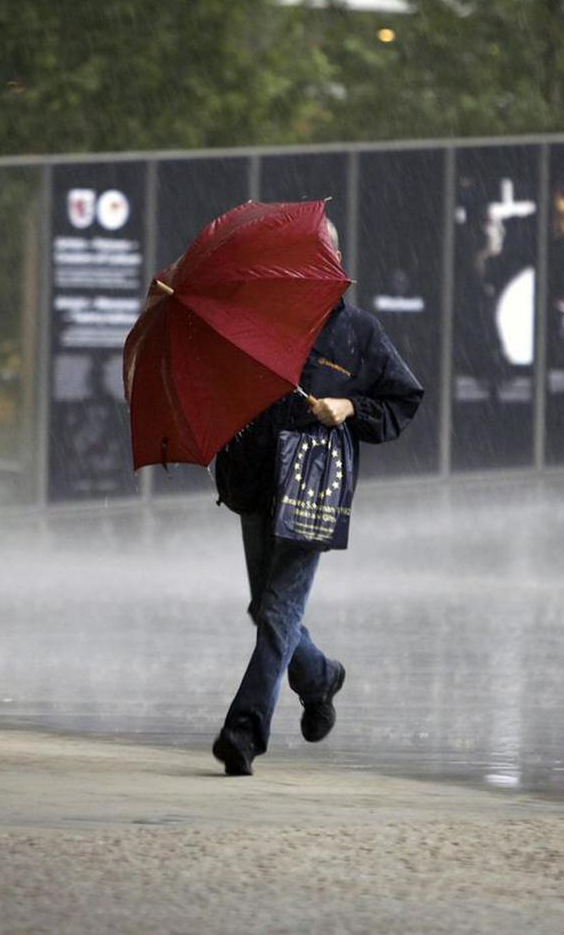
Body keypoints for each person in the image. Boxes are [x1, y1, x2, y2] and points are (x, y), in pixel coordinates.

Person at [212, 220, 424, 775]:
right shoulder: (258, 325)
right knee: (266, 608)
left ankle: (244, 732)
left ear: (335, 263)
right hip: (255, 478)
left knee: (279, 609)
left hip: (312, 486)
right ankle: (320, 677)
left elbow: (402, 401)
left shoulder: (359, 334)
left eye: (321, 257)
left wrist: (349, 408)